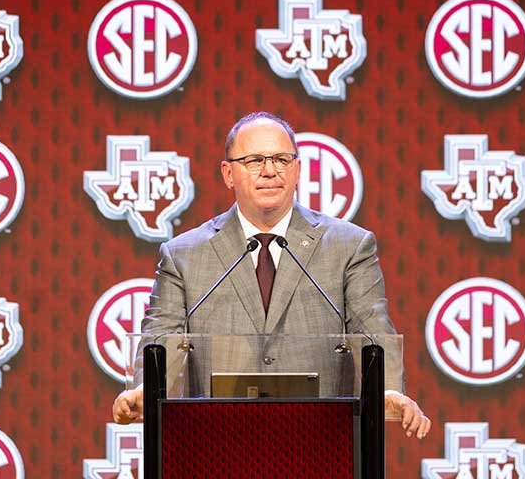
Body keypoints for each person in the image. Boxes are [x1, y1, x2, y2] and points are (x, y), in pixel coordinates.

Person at [112, 111, 431, 439]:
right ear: (228, 173)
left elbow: (372, 331)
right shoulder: (184, 254)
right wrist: (145, 390)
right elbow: (162, 338)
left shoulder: (348, 246)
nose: (269, 171)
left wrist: (387, 389)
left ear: (297, 170)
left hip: (320, 441)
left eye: (281, 159)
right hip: (216, 442)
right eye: (253, 160)